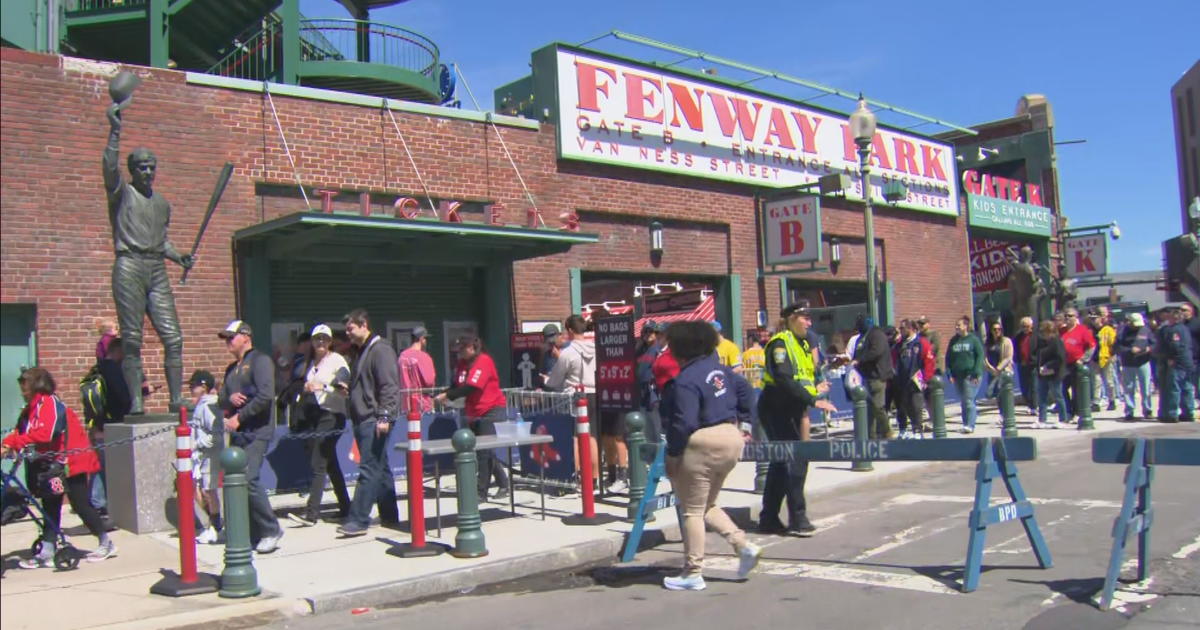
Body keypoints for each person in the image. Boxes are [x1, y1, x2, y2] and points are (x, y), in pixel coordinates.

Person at [104, 100, 194, 414]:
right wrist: (114, 132)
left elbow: (161, 241)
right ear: (132, 170)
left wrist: (178, 256)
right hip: (129, 265)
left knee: (174, 337)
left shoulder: (163, 204)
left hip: (156, 268)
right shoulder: (121, 193)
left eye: (151, 166)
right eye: (141, 166)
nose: (147, 171)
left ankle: (175, 398)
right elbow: (108, 166)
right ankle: (136, 401)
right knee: (132, 339)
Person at [658, 321, 761, 591]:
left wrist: (672, 455)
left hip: (703, 441)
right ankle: (743, 545)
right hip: (731, 436)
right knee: (707, 504)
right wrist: (747, 424)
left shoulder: (684, 380)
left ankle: (693, 571)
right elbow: (746, 392)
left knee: (691, 510)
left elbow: (683, 422)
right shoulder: (721, 370)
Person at [2, 367, 115, 567]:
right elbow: (21, 430)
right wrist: (7, 443)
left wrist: (17, 442)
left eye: (25, 387)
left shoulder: (50, 404)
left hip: (71, 460)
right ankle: (47, 549)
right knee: (50, 503)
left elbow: (47, 433)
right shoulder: (31, 408)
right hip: (51, 464)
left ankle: (106, 542)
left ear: (37, 385)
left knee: (80, 503)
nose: (22, 392)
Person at [758, 302, 838, 537]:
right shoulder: (780, 344)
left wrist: (815, 389)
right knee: (789, 463)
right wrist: (814, 400)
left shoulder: (801, 344)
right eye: (805, 317)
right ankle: (796, 518)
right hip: (776, 407)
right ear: (792, 318)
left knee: (786, 463)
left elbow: (800, 380)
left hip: (793, 407)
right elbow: (783, 379)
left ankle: (771, 518)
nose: (809, 322)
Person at [217, 319, 283, 552]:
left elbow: (265, 396)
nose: (227, 342)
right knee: (236, 481)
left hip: (257, 431)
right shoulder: (231, 369)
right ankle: (248, 531)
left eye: (231, 337)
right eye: (225, 338)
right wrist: (230, 399)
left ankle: (270, 530)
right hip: (239, 433)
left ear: (245, 336)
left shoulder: (260, 361)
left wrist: (239, 416)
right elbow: (221, 398)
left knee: (249, 478)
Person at [338, 309, 401, 536]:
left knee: (368, 467)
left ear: (364, 324)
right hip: (363, 417)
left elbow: (389, 385)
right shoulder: (362, 351)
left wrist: (384, 415)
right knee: (380, 467)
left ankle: (358, 519)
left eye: (350, 328)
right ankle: (390, 515)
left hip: (373, 419)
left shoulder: (380, 350)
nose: (348, 334)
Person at [288, 324, 352, 527]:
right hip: (315, 415)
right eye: (317, 339)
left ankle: (311, 513)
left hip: (332, 415)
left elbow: (343, 383)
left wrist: (322, 385)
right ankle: (346, 507)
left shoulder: (337, 360)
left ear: (330, 341)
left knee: (319, 461)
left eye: (325, 339)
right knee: (330, 463)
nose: (321, 342)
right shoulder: (310, 363)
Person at [436, 336, 511, 501]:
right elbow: (458, 385)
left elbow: (472, 387)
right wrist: (446, 394)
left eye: (463, 348)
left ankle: (480, 492)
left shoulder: (484, 361)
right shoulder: (462, 364)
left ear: (472, 348)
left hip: (491, 409)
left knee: (484, 452)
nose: (459, 351)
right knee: (482, 450)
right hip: (474, 410)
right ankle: (504, 483)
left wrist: (448, 395)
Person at [546, 315, 606, 490]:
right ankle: (595, 477)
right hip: (595, 393)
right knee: (592, 436)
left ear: (570, 330)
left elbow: (555, 381)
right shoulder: (596, 348)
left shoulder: (568, 352)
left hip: (577, 396)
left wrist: (547, 379)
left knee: (576, 438)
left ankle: (578, 475)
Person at [85, 341, 132, 527]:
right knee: (105, 468)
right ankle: (100, 507)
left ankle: (96, 505)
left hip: (96, 425)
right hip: (111, 426)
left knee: (99, 466)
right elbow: (122, 397)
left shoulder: (96, 369)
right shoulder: (113, 370)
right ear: (118, 350)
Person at [188, 370, 223, 543]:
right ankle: (212, 526)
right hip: (201, 456)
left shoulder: (210, 405)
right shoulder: (202, 405)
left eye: (193, 386)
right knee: (202, 491)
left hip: (209, 456)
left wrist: (198, 444)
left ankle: (216, 528)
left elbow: (216, 434)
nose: (190, 390)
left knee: (209, 491)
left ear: (203, 386)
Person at [850, 315, 894, 439]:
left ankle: (887, 431)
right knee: (869, 408)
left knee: (877, 406)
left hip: (878, 375)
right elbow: (857, 354)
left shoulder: (876, 334)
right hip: (865, 376)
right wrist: (851, 360)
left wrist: (860, 360)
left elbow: (876, 351)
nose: (858, 330)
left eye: (859, 327)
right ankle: (870, 434)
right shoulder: (862, 338)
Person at [894, 319, 935, 438]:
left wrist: (926, 379)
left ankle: (917, 431)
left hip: (917, 380)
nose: (900, 331)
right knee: (904, 406)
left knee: (916, 406)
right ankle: (905, 430)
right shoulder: (900, 344)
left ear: (910, 329)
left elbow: (929, 361)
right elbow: (894, 359)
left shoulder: (921, 342)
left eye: (902, 328)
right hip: (902, 380)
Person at [946, 316, 985, 433]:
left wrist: (976, 373)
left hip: (970, 375)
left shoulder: (973, 340)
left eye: (959, 325)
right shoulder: (953, 340)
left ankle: (970, 425)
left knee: (968, 400)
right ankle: (965, 423)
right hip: (957, 375)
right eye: (956, 325)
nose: (957, 327)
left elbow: (980, 356)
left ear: (966, 326)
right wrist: (949, 373)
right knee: (963, 401)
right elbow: (948, 358)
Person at [1115, 312, 1156, 421]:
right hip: (1128, 363)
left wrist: (1148, 349)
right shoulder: (1122, 332)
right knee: (1129, 388)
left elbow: (1154, 343)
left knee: (1146, 388)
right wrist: (1130, 350)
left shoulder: (1145, 330)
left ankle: (1147, 410)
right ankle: (1129, 411)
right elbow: (1117, 347)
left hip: (1143, 361)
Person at [1157, 306, 1195, 422]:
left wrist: (1171, 357)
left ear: (1174, 318)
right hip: (1188, 361)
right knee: (1187, 387)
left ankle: (1172, 414)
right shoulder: (1185, 328)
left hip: (1178, 362)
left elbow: (1175, 345)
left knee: (1174, 388)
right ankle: (1188, 412)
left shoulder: (1174, 330)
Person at [1059, 308, 1097, 424]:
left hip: (1077, 364)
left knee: (1077, 390)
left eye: (1070, 315)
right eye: (1066, 315)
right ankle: (1068, 412)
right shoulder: (1061, 331)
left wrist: (1083, 359)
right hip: (1064, 364)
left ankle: (1076, 412)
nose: (1067, 318)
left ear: (1076, 317)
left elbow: (1091, 347)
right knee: (1062, 388)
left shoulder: (1082, 330)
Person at [1032, 321, 1069, 429]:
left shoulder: (1057, 342)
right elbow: (1037, 355)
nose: (1042, 335)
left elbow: (1060, 358)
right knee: (1042, 397)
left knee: (1058, 396)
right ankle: (1042, 419)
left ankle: (1063, 419)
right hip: (1042, 373)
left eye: (1044, 332)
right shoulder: (1042, 342)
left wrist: (1048, 366)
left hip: (1054, 373)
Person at [635, 321, 665, 443]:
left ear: (656, 333)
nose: (648, 334)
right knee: (645, 424)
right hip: (641, 390)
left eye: (650, 331)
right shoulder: (640, 349)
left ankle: (658, 454)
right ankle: (650, 454)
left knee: (655, 424)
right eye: (645, 332)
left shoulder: (658, 349)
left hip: (653, 390)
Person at [398, 325, 436, 415]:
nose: (426, 341)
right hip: (422, 405)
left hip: (405, 405)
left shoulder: (402, 356)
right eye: (426, 339)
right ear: (421, 339)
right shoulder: (424, 357)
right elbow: (429, 381)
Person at [1014, 317, 1038, 415]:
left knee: (1033, 386)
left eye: (1027, 326)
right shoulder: (1018, 336)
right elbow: (1015, 349)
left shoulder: (1036, 336)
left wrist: (1036, 361)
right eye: (1023, 326)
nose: (1025, 328)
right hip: (1022, 363)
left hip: (1033, 364)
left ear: (1031, 326)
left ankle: (1034, 406)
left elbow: (1039, 350)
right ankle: (1028, 403)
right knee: (1024, 386)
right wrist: (1017, 360)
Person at [983, 321, 1014, 400]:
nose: (997, 331)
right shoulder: (988, 343)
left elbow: (1008, 357)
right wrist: (989, 367)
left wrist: (998, 368)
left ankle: (1004, 410)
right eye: (994, 329)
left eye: (999, 329)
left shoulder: (1006, 341)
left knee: (1003, 392)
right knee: (991, 393)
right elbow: (985, 356)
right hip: (992, 371)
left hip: (1004, 370)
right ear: (991, 331)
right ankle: (1001, 408)